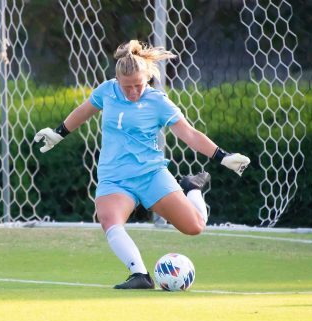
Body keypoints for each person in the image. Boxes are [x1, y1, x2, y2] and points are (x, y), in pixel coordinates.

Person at [34, 40, 250, 289]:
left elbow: (189, 134)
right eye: (127, 87)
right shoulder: (107, 91)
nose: (134, 91)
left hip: (151, 175)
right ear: (117, 80)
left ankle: (192, 187)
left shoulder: (158, 101)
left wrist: (223, 157)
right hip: (114, 177)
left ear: (148, 77)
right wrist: (58, 133)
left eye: (138, 85)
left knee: (195, 227)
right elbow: (83, 112)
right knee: (109, 220)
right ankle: (140, 275)